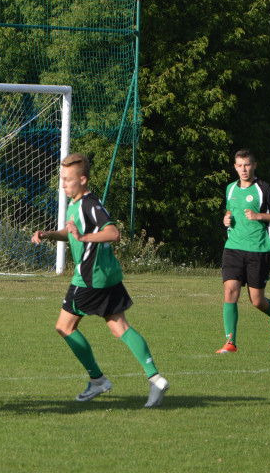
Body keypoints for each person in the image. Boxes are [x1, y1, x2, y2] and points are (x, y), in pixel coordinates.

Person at [31, 153, 169, 408]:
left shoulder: (88, 204)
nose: (64, 184)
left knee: (64, 327)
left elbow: (113, 233)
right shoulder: (77, 204)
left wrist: (83, 239)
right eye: (62, 179)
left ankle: (97, 379)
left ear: (83, 180)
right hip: (107, 276)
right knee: (119, 327)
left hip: (89, 279)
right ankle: (155, 378)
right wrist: (49, 234)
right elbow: (73, 233)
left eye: (69, 179)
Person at [217, 149, 270, 353]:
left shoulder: (264, 189)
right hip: (233, 248)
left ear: (254, 166)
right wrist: (226, 218)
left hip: (258, 250)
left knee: (257, 301)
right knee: (230, 291)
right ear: (235, 167)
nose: (243, 169)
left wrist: (260, 216)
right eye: (239, 165)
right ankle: (230, 342)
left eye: (247, 165)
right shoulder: (230, 188)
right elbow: (230, 209)